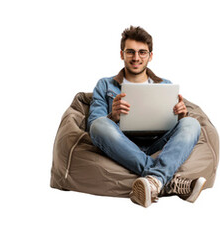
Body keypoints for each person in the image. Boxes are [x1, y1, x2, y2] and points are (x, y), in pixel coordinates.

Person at [87, 26, 206, 207]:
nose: (136, 58)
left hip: (158, 143)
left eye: (142, 52)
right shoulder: (105, 85)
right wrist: (114, 116)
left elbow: (180, 126)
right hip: (121, 144)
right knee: (99, 126)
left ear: (150, 56)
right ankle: (165, 181)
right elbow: (93, 125)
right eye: (131, 52)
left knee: (192, 123)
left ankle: (153, 181)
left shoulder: (165, 85)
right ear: (122, 54)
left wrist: (181, 116)